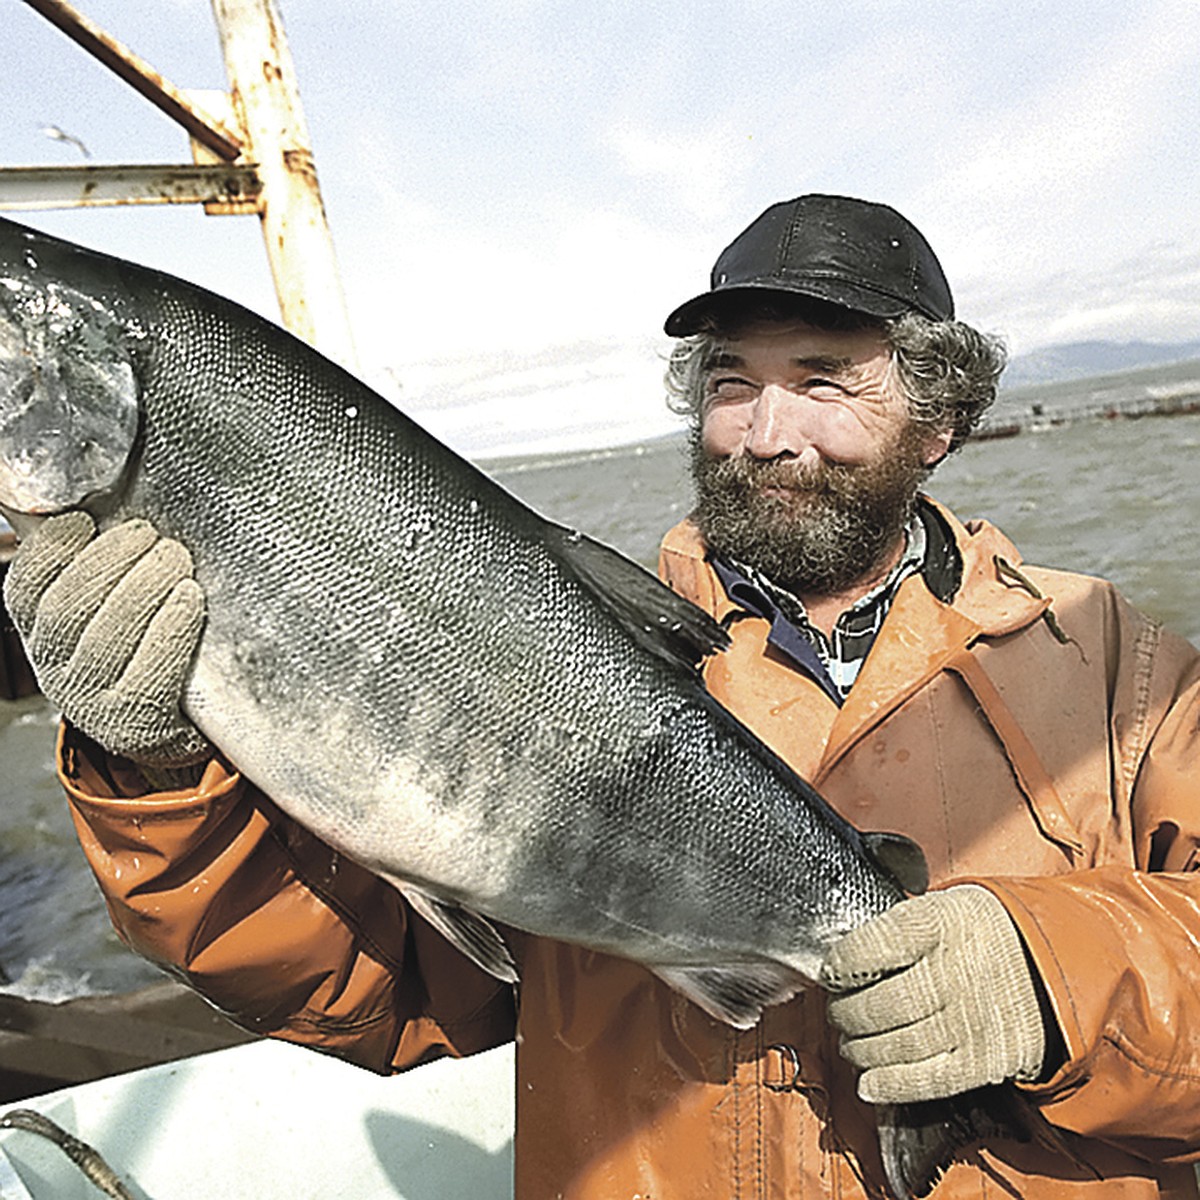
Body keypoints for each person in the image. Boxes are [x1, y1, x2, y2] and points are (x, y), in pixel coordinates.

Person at [7, 193, 1200, 1199]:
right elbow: (376, 997)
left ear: (938, 424)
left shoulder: (1115, 667)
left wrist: (1055, 974)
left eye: (827, 382)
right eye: (732, 381)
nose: (767, 432)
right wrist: (160, 770)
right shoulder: (530, 644)